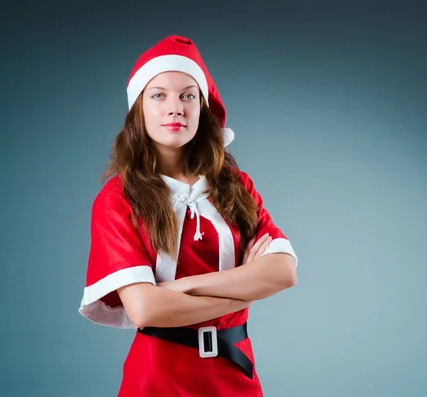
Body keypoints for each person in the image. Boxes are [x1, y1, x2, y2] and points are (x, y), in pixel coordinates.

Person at [78, 35, 298, 397]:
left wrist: (182, 288)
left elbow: (283, 272)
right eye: (159, 95)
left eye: (188, 95)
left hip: (235, 373)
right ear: (139, 109)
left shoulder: (236, 185)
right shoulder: (117, 198)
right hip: (157, 377)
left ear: (202, 108)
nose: (175, 107)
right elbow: (146, 308)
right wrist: (246, 288)